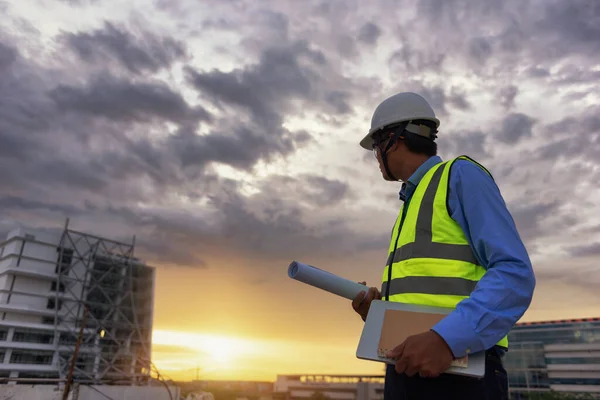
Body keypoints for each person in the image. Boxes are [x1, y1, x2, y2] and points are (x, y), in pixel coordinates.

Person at [351, 92, 536, 400]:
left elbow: (514, 273)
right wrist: (380, 313)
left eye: (375, 148)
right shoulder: (413, 201)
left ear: (393, 140)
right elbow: (431, 291)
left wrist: (446, 340)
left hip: (457, 375)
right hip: (409, 368)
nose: (375, 158)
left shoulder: (459, 175)